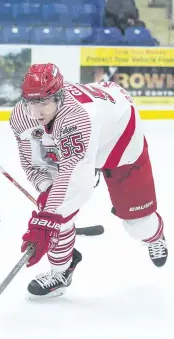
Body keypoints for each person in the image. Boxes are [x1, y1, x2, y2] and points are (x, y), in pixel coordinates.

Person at [10, 63, 168, 299]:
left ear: (59, 97)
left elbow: (77, 183)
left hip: (119, 138)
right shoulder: (23, 114)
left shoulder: (78, 118)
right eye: (31, 103)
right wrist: (47, 197)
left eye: (43, 103)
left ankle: (155, 235)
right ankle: (61, 273)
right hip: (83, 137)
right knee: (53, 209)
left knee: (138, 226)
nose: (37, 112)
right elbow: (35, 164)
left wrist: (49, 217)